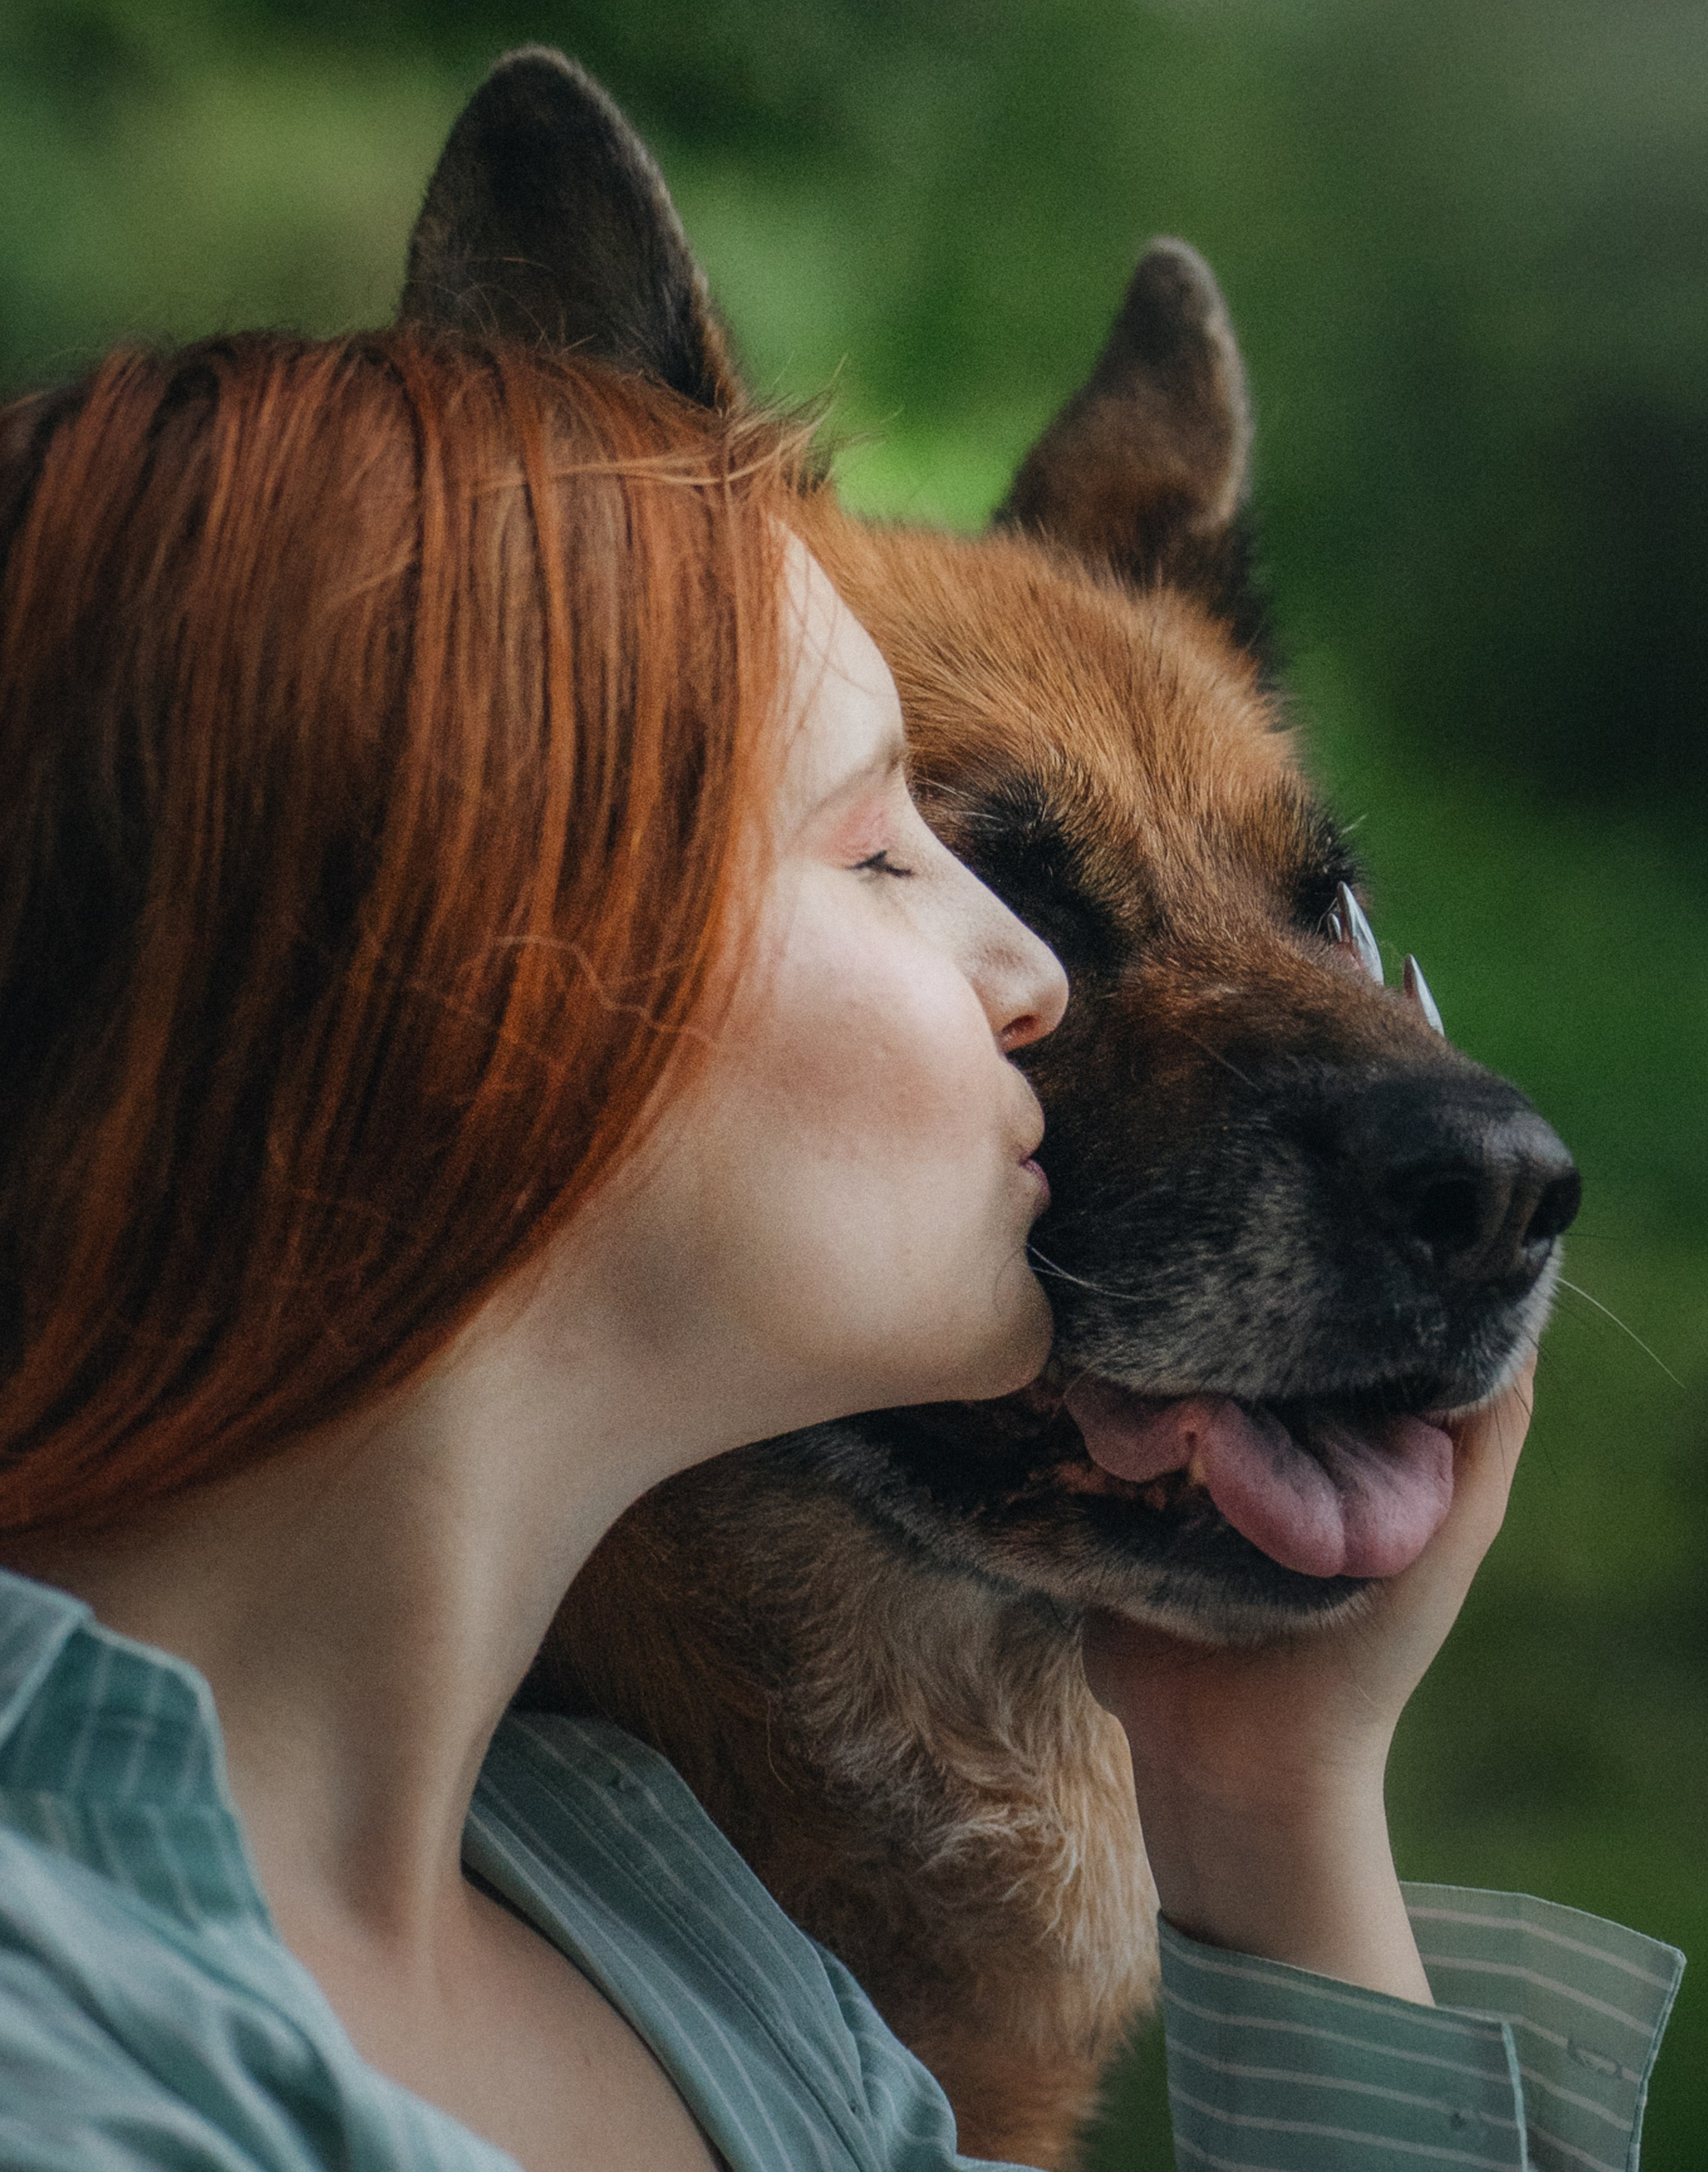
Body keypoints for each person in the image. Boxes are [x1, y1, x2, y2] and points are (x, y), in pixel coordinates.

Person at [0, 328, 1679, 2172]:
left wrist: (1269, 1810)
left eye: (1326, 916)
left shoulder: (728, 2002)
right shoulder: (73, 2050)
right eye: (894, 852)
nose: (1023, 979)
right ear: (469, 942)